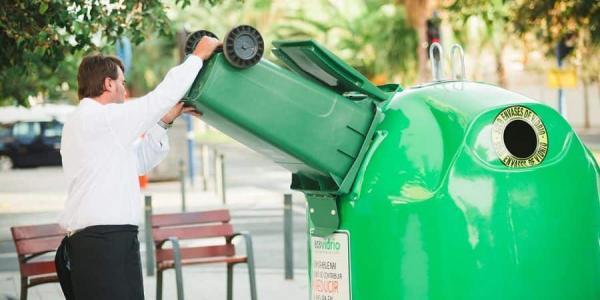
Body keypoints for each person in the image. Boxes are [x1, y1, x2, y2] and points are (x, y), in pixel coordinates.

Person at [54, 36, 222, 300]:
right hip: (104, 242)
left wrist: (164, 122)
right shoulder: (101, 119)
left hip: (102, 242)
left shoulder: (87, 123)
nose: (124, 89)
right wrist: (197, 57)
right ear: (108, 83)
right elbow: (158, 99)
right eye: (121, 83)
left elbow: (138, 163)